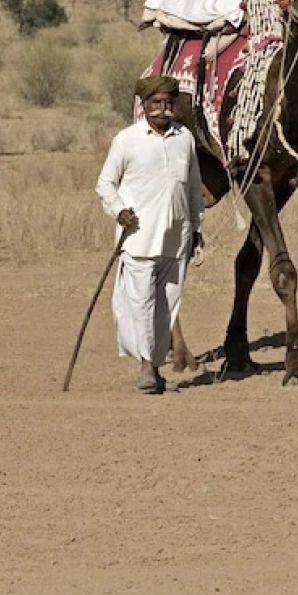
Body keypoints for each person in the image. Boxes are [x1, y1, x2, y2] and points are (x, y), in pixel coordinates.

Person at [95, 75, 205, 394]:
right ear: (143, 106)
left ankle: (155, 369)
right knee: (142, 304)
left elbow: (194, 188)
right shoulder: (126, 140)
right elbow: (105, 184)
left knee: (167, 305)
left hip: (176, 238)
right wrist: (119, 210)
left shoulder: (184, 138)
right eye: (156, 102)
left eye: (168, 102)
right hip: (139, 239)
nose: (163, 108)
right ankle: (146, 367)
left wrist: (196, 228)